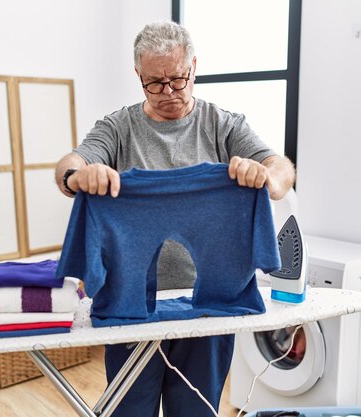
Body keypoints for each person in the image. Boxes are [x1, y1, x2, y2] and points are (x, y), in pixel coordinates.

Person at [55, 20, 295, 417]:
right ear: (138, 75)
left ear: (194, 67)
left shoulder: (224, 125)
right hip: (128, 306)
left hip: (211, 304)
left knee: (196, 411)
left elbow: (281, 168)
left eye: (178, 79)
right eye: (155, 82)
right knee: (130, 410)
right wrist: (77, 175)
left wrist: (267, 177)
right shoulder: (117, 128)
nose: (168, 92)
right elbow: (71, 163)